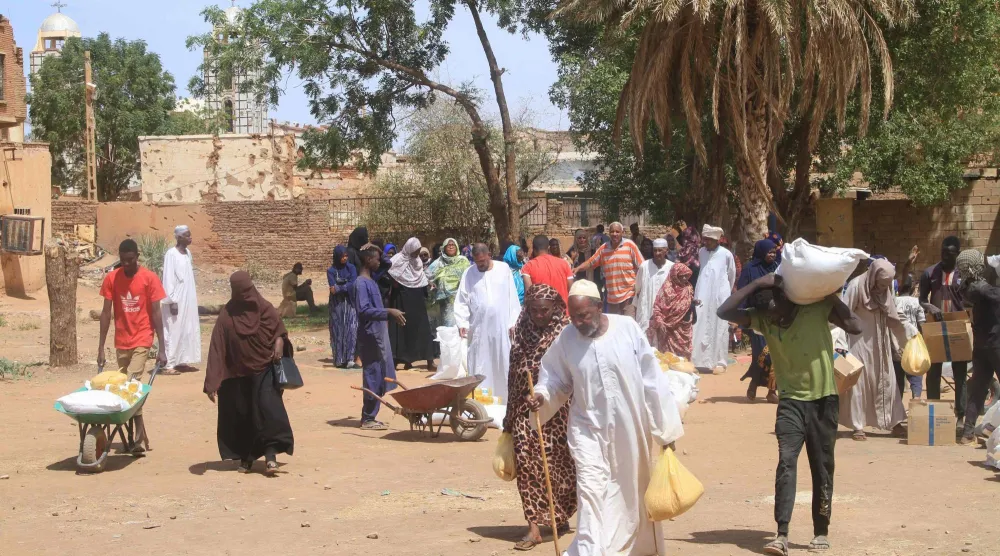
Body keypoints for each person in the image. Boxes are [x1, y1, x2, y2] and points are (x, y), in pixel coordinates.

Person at [526, 279, 684, 556]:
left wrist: (666, 430)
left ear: (599, 307)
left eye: (584, 316)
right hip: (587, 429)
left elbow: (652, 379)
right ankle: (590, 550)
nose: (578, 323)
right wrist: (542, 394)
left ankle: (630, 546)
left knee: (630, 489)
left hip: (629, 427)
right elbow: (555, 379)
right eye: (573, 317)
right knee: (590, 488)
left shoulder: (627, 329)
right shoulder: (567, 339)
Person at [717, 273, 862, 556]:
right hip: (790, 402)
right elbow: (724, 311)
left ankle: (821, 531)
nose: (773, 318)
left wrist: (829, 294)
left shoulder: (815, 309)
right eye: (768, 313)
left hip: (823, 400)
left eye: (776, 310)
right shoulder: (764, 318)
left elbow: (855, 325)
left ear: (788, 300)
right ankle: (781, 533)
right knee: (786, 462)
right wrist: (757, 283)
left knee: (822, 467)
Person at [502, 284, 578, 551]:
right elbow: (513, 375)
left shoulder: (567, 334)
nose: (539, 315)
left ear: (555, 308)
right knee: (527, 466)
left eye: (544, 310)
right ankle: (534, 528)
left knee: (559, 466)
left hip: (559, 412)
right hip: (524, 411)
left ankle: (559, 516)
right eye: (533, 310)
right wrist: (510, 416)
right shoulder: (521, 332)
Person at [204, 271, 294, 475]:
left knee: (268, 409)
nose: (246, 295)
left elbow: (279, 330)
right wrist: (212, 382)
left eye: (248, 290)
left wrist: (279, 342)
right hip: (238, 374)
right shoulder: (227, 314)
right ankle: (247, 458)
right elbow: (217, 347)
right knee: (244, 415)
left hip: (264, 368)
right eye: (241, 291)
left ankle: (271, 457)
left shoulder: (264, 308)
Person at [97, 238, 167, 453]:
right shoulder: (112, 278)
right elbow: (106, 313)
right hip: (122, 340)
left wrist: (162, 347)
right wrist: (100, 348)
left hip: (142, 338)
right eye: (122, 260)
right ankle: (139, 435)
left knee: (131, 384)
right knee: (124, 389)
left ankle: (137, 438)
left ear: (137, 256)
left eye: (130, 260)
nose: (126, 264)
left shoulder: (149, 278)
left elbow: (156, 313)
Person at [840, 259, 908, 440]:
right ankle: (858, 426)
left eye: (886, 285)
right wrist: (842, 344)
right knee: (859, 385)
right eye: (881, 284)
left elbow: (893, 311)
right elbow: (843, 313)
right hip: (859, 344)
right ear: (873, 277)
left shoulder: (886, 290)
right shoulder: (856, 286)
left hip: (881, 344)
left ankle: (895, 422)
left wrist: (907, 333)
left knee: (888, 382)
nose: (883, 288)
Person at [454, 244, 521, 402]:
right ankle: (482, 402)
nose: (480, 265)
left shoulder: (503, 269)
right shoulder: (469, 273)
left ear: (489, 255)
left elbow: (512, 297)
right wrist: (462, 322)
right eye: (477, 262)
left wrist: (514, 322)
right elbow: (462, 300)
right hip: (479, 329)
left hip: (501, 328)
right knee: (480, 363)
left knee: (502, 362)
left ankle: (505, 400)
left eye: (483, 261)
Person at [354, 247, 407, 430]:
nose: (379, 261)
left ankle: (371, 416)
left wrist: (376, 250)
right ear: (368, 260)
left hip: (378, 333)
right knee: (372, 374)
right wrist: (388, 311)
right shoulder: (361, 284)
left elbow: (387, 263)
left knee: (380, 373)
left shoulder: (372, 279)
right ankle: (368, 418)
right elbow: (364, 311)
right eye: (376, 259)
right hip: (370, 335)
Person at [919, 236, 969, 427]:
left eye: (949, 253)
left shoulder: (963, 274)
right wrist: (931, 307)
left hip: (958, 327)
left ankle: (961, 416)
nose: (945, 256)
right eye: (943, 252)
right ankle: (934, 412)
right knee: (933, 372)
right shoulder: (930, 273)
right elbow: (922, 299)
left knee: (960, 373)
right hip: (936, 327)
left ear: (958, 253)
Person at [954, 250, 1000, 444]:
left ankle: (968, 433)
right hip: (995, 343)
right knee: (979, 389)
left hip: (980, 345)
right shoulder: (982, 288)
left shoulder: (965, 287)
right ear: (975, 267)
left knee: (979, 389)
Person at [737, 239, 780, 402]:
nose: (772, 255)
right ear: (761, 252)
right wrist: (741, 316)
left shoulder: (777, 267)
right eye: (769, 252)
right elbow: (742, 292)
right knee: (762, 355)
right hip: (757, 317)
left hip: (776, 317)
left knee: (776, 355)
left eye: (774, 252)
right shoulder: (750, 269)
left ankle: (772, 391)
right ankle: (755, 382)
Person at [691, 225, 737, 373]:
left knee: (720, 325)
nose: (706, 242)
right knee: (699, 323)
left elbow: (731, 275)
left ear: (717, 240)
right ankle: (697, 360)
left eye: (709, 240)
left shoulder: (726, 254)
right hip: (702, 293)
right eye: (705, 239)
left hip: (720, 294)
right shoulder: (701, 252)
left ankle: (720, 362)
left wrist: (724, 292)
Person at [572, 222, 644, 316]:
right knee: (614, 324)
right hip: (612, 299)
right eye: (612, 231)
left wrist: (639, 287)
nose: (614, 234)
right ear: (609, 233)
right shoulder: (604, 248)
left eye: (617, 232)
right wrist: (577, 268)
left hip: (629, 296)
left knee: (629, 323)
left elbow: (642, 266)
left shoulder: (630, 245)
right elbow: (590, 262)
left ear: (622, 232)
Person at [387, 238, 434, 370]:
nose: (416, 253)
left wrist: (428, 283)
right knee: (401, 329)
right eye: (415, 251)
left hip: (417, 298)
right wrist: (395, 282)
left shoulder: (417, 261)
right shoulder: (397, 259)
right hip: (401, 298)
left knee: (422, 328)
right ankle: (399, 361)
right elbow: (389, 273)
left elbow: (420, 276)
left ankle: (429, 360)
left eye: (418, 251)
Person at [161, 225, 201, 372]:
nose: (190, 238)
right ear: (179, 237)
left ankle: (182, 360)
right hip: (176, 298)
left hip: (188, 298)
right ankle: (169, 364)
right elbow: (168, 278)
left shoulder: (188, 253)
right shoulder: (171, 254)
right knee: (173, 329)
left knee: (187, 327)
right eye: (187, 235)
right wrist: (172, 301)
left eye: (190, 235)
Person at [647, 263, 697, 358]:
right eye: (681, 276)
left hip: (684, 327)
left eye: (686, 276)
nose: (684, 278)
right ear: (675, 275)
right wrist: (660, 322)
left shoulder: (688, 287)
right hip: (669, 329)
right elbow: (657, 307)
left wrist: (693, 304)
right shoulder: (667, 289)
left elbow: (688, 302)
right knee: (669, 356)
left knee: (685, 354)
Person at [893, 274, 925, 400]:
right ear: (912, 287)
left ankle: (898, 408)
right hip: (913, 344)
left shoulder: (893, 302)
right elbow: (922, 324)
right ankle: (916, 401)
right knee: (915, 376)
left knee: (898, 380)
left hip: (896, 346)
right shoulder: (917, 302)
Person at [327, 245, 359, 369]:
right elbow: (332, 288)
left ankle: (350, 359)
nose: (345, 258)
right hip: (337, 305)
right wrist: (345, 285)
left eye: (346, 256)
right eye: (342, 256)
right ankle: (339, 359)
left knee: (351, 328)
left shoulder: (351, 268)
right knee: (337, 329)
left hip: (350, 303)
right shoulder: (331, 270)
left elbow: (353, 283)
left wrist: (340, 287)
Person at [426, 238, 470, 327]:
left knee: (462, 323)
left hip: (461, 298)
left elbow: (469, 276)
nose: (451, 247)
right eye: (448, 245)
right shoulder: (438, 263)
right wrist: (431, 284)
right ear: (444, 248)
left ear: (456, 247)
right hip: (445, 301)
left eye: (453, 245)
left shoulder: (463, 260)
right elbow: (426, 276)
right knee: (448, 325)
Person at [634, 238, 674, 332]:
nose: (657, 253)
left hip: (665, 310)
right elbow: (637, 289)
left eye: (660, 250)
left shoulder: (672, 267)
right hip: (646, 309)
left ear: (666, 251)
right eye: (655, 250)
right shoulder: (644, 266)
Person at [523, 235, 574, 307]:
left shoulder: (528, 266)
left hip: (541, 311)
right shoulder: (564, 263)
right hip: (563, 310)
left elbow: (529, 294)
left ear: (534, 249)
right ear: (549, 248)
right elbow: (571, 289)